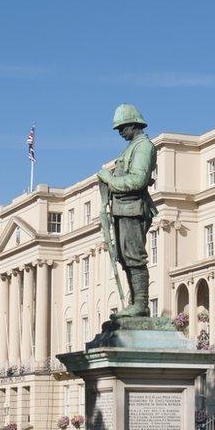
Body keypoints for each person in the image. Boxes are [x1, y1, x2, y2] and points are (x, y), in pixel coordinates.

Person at [96, 104, 158, 318]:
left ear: (134, 124)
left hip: (134, 209)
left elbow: (138, 180)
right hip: (122, 209)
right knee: (124, 257)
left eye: (122, 127)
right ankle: (135, 303)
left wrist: (110, 180)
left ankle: (141, 303)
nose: (120, 132)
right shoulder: (131, 147)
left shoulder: (144, 146)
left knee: (134, 256)